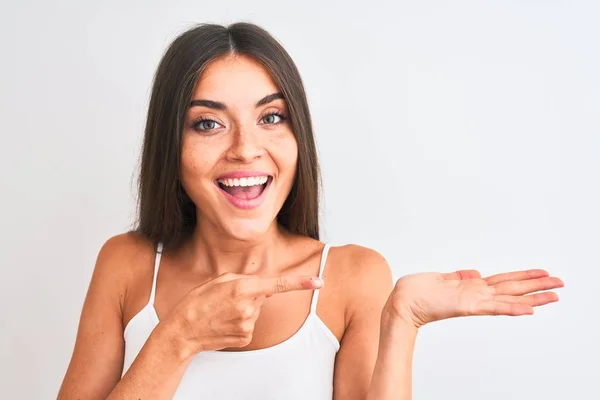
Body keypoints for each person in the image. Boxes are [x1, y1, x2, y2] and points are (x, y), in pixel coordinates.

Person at [57, 22, 563, 400]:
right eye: (208, 124)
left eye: (271, 117)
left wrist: (403, 319)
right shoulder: (126, 264)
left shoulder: (352, 275)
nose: (246, 149)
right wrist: (178, 337)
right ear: (170, 143)